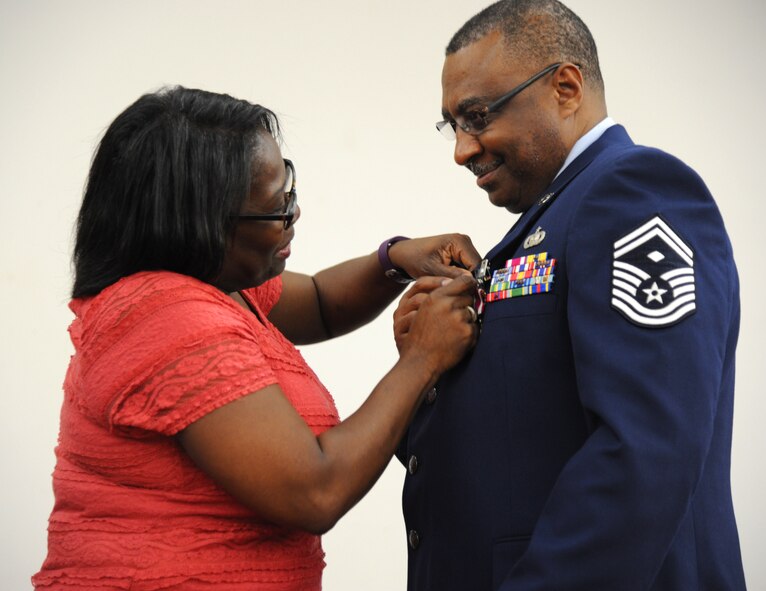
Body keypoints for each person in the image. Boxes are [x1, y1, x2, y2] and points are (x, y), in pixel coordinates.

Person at [32, 86, 482, 591]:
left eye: (288, 188)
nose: (293, 215)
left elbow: (317, 301)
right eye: (275, 208)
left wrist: (394, 259)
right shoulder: (166, 318)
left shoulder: (218, 285)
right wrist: (422, 358)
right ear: (199, 226)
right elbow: (316, 490)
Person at [396, 1, 747, 589]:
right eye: (451, 125)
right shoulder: (550, 221)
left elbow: (646, 454)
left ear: (565, 87)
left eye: (477, 116)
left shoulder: (633, 194)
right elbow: (507, 445)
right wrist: (423, 367)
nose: (461, 149)